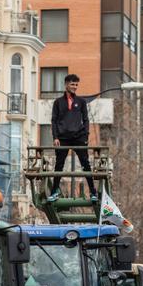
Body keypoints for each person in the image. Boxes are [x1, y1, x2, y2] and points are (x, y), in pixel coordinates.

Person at [48, 74, 97, 202]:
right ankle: (54, 192)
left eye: (76, 85)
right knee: (59, 165)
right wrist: (55, 137)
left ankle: (93, 192)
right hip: (62, 138)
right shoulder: (58, 102)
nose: (75, 87)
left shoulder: (81, 102)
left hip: (79, 137)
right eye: (72, 84)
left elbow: (86, 120)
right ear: (66, 85)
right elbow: (54, 120)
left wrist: (86, 135)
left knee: (85, 164)